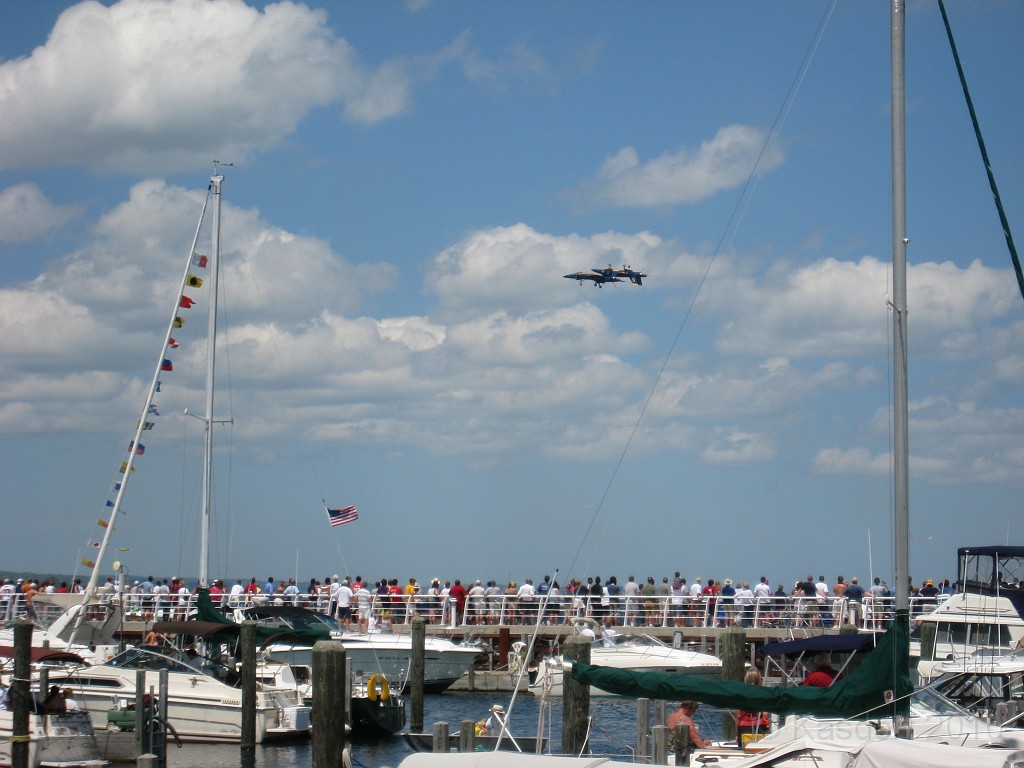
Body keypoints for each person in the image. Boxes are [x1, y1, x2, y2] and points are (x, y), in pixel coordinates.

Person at [735, 669, 770, 747]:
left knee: (743, 749)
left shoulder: (740, 694)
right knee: (761, 749)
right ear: (758, 681)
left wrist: (737, 734)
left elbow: (738, 716)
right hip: (759, 726)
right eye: (761, 679)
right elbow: (765, 715)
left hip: (743, 727)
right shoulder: (763, 693)